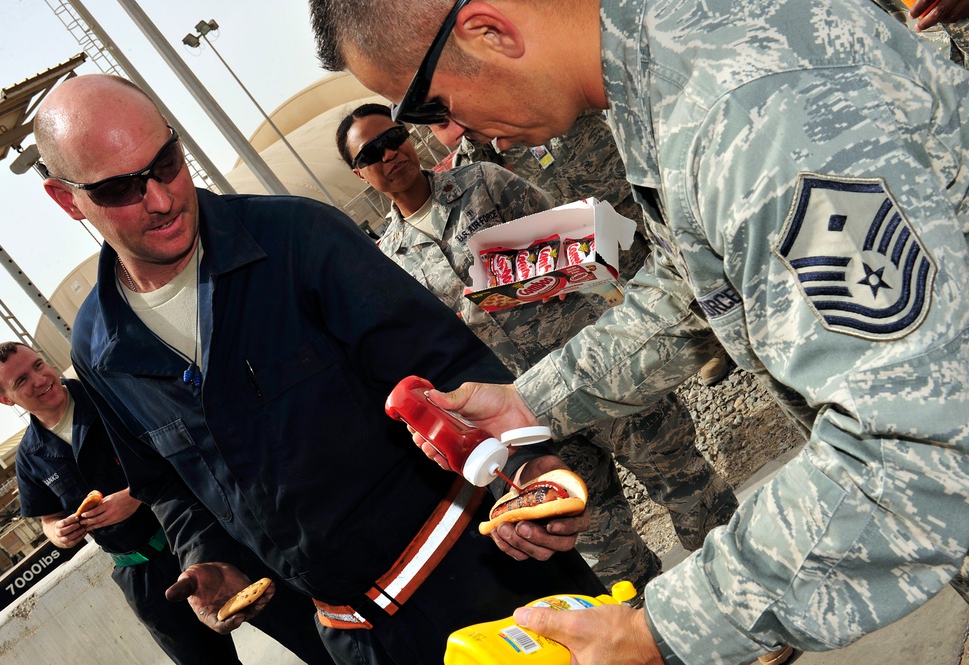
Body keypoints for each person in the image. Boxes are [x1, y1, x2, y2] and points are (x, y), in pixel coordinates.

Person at [310, 1, 969, 664]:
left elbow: (910, 448)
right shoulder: (668, 77)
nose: (449, 138)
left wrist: (667, 629)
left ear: (487, 31)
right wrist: (524, 403)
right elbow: (687, 291)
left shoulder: (742, 111)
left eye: (430, 109)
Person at [34, 73, 606, 665]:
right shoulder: (99, 348)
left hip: (492, 582)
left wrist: (527, 467)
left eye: (168, 162)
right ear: (66, 198)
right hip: (356, 642)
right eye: (121, 188)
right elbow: (169, 486)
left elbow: (447, 369)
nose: (161, 198)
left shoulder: (297, 240)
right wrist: (205, 555)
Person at [337, 102, 739, 592]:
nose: (390, 154)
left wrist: (525, 269)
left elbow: (571, 236)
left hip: (589, 364)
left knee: (683, 481)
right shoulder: (388, 263)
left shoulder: (480, 181)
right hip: (520, 416)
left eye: (394, 137)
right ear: (360, 173)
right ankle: (650, 636)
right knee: (597, 537)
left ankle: (742, 594)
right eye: (372, 153)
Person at [0, 342, 334, 665]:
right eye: (21, 380)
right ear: (5, 399)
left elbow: (185, 444)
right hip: (146, 580)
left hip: (211, 540)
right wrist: (58, 533)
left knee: (307, 632)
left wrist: (136, 494)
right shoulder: (30, 456)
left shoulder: (111, 393)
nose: (40, 379)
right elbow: (47, 519)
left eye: (39, 365)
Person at [436, 109, 734, 385]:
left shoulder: (523, 80)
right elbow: (477, 170)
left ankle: (733, 310)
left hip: (619, 181)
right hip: (583, 214)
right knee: (645, 279)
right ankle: (708, 343)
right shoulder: (478, 140)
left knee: (684, 252)